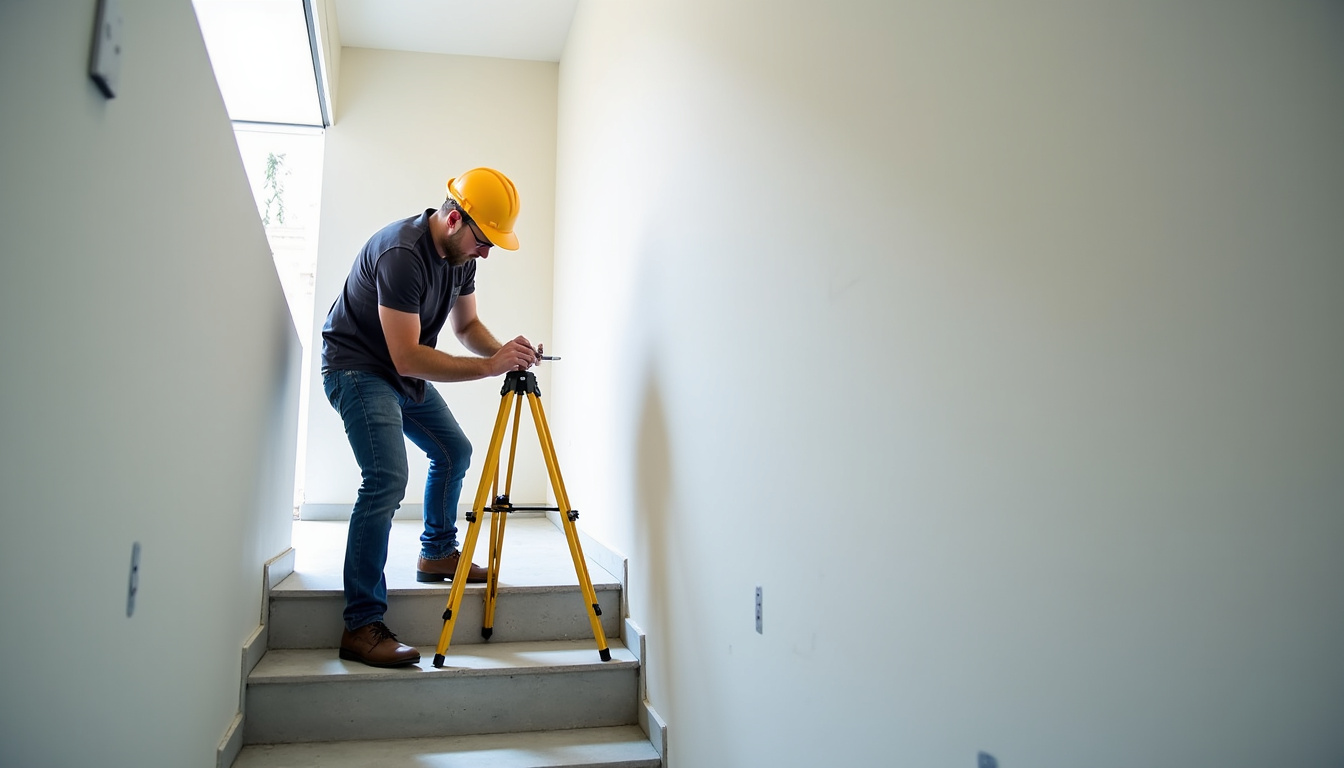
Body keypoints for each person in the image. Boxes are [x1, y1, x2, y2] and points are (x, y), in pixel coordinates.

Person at [319, 167, 541, 668]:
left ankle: (437, 551)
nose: (487, 253)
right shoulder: (402, 254)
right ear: (454, 218)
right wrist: (488, 367)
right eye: (484, 242)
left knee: (453, 451)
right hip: (357, 368)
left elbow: (467, 326)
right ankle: (360, 626)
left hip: (398, 369)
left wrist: (504, 350)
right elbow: (407, 358)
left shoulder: (462, 256)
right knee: (386, 479)